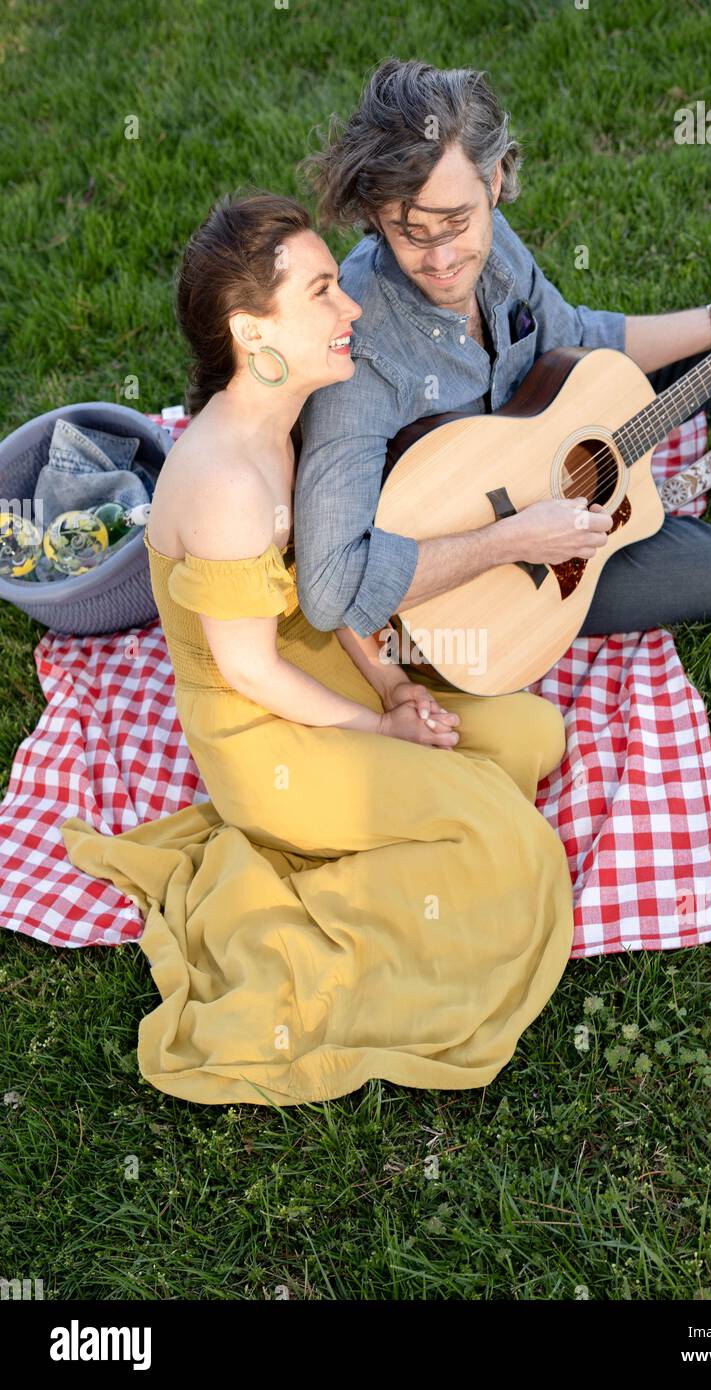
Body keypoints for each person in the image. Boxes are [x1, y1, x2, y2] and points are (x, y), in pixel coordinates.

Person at [60, 191, 576, 1107]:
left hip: (323, 673)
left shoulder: (282, 425)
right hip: (265, 737)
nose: (354, 310)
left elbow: (326, 583)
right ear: (251, 331)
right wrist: (382, 731)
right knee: (511, 849)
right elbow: (251, 671)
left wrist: (389, 681)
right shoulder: (222, 480)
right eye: (325, 293)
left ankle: (371, 837)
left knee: (532, 739)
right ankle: (309, 904)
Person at [292, 57, 711, 645]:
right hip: (486, 588)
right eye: (409, 232)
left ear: (491, 184)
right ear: (376, 218)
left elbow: (579, 341)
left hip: (540, 454)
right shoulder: (361, 350)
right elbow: (331, 586)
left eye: (456, 223)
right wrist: (511, 541)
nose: (440, 260)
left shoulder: (496, 245)